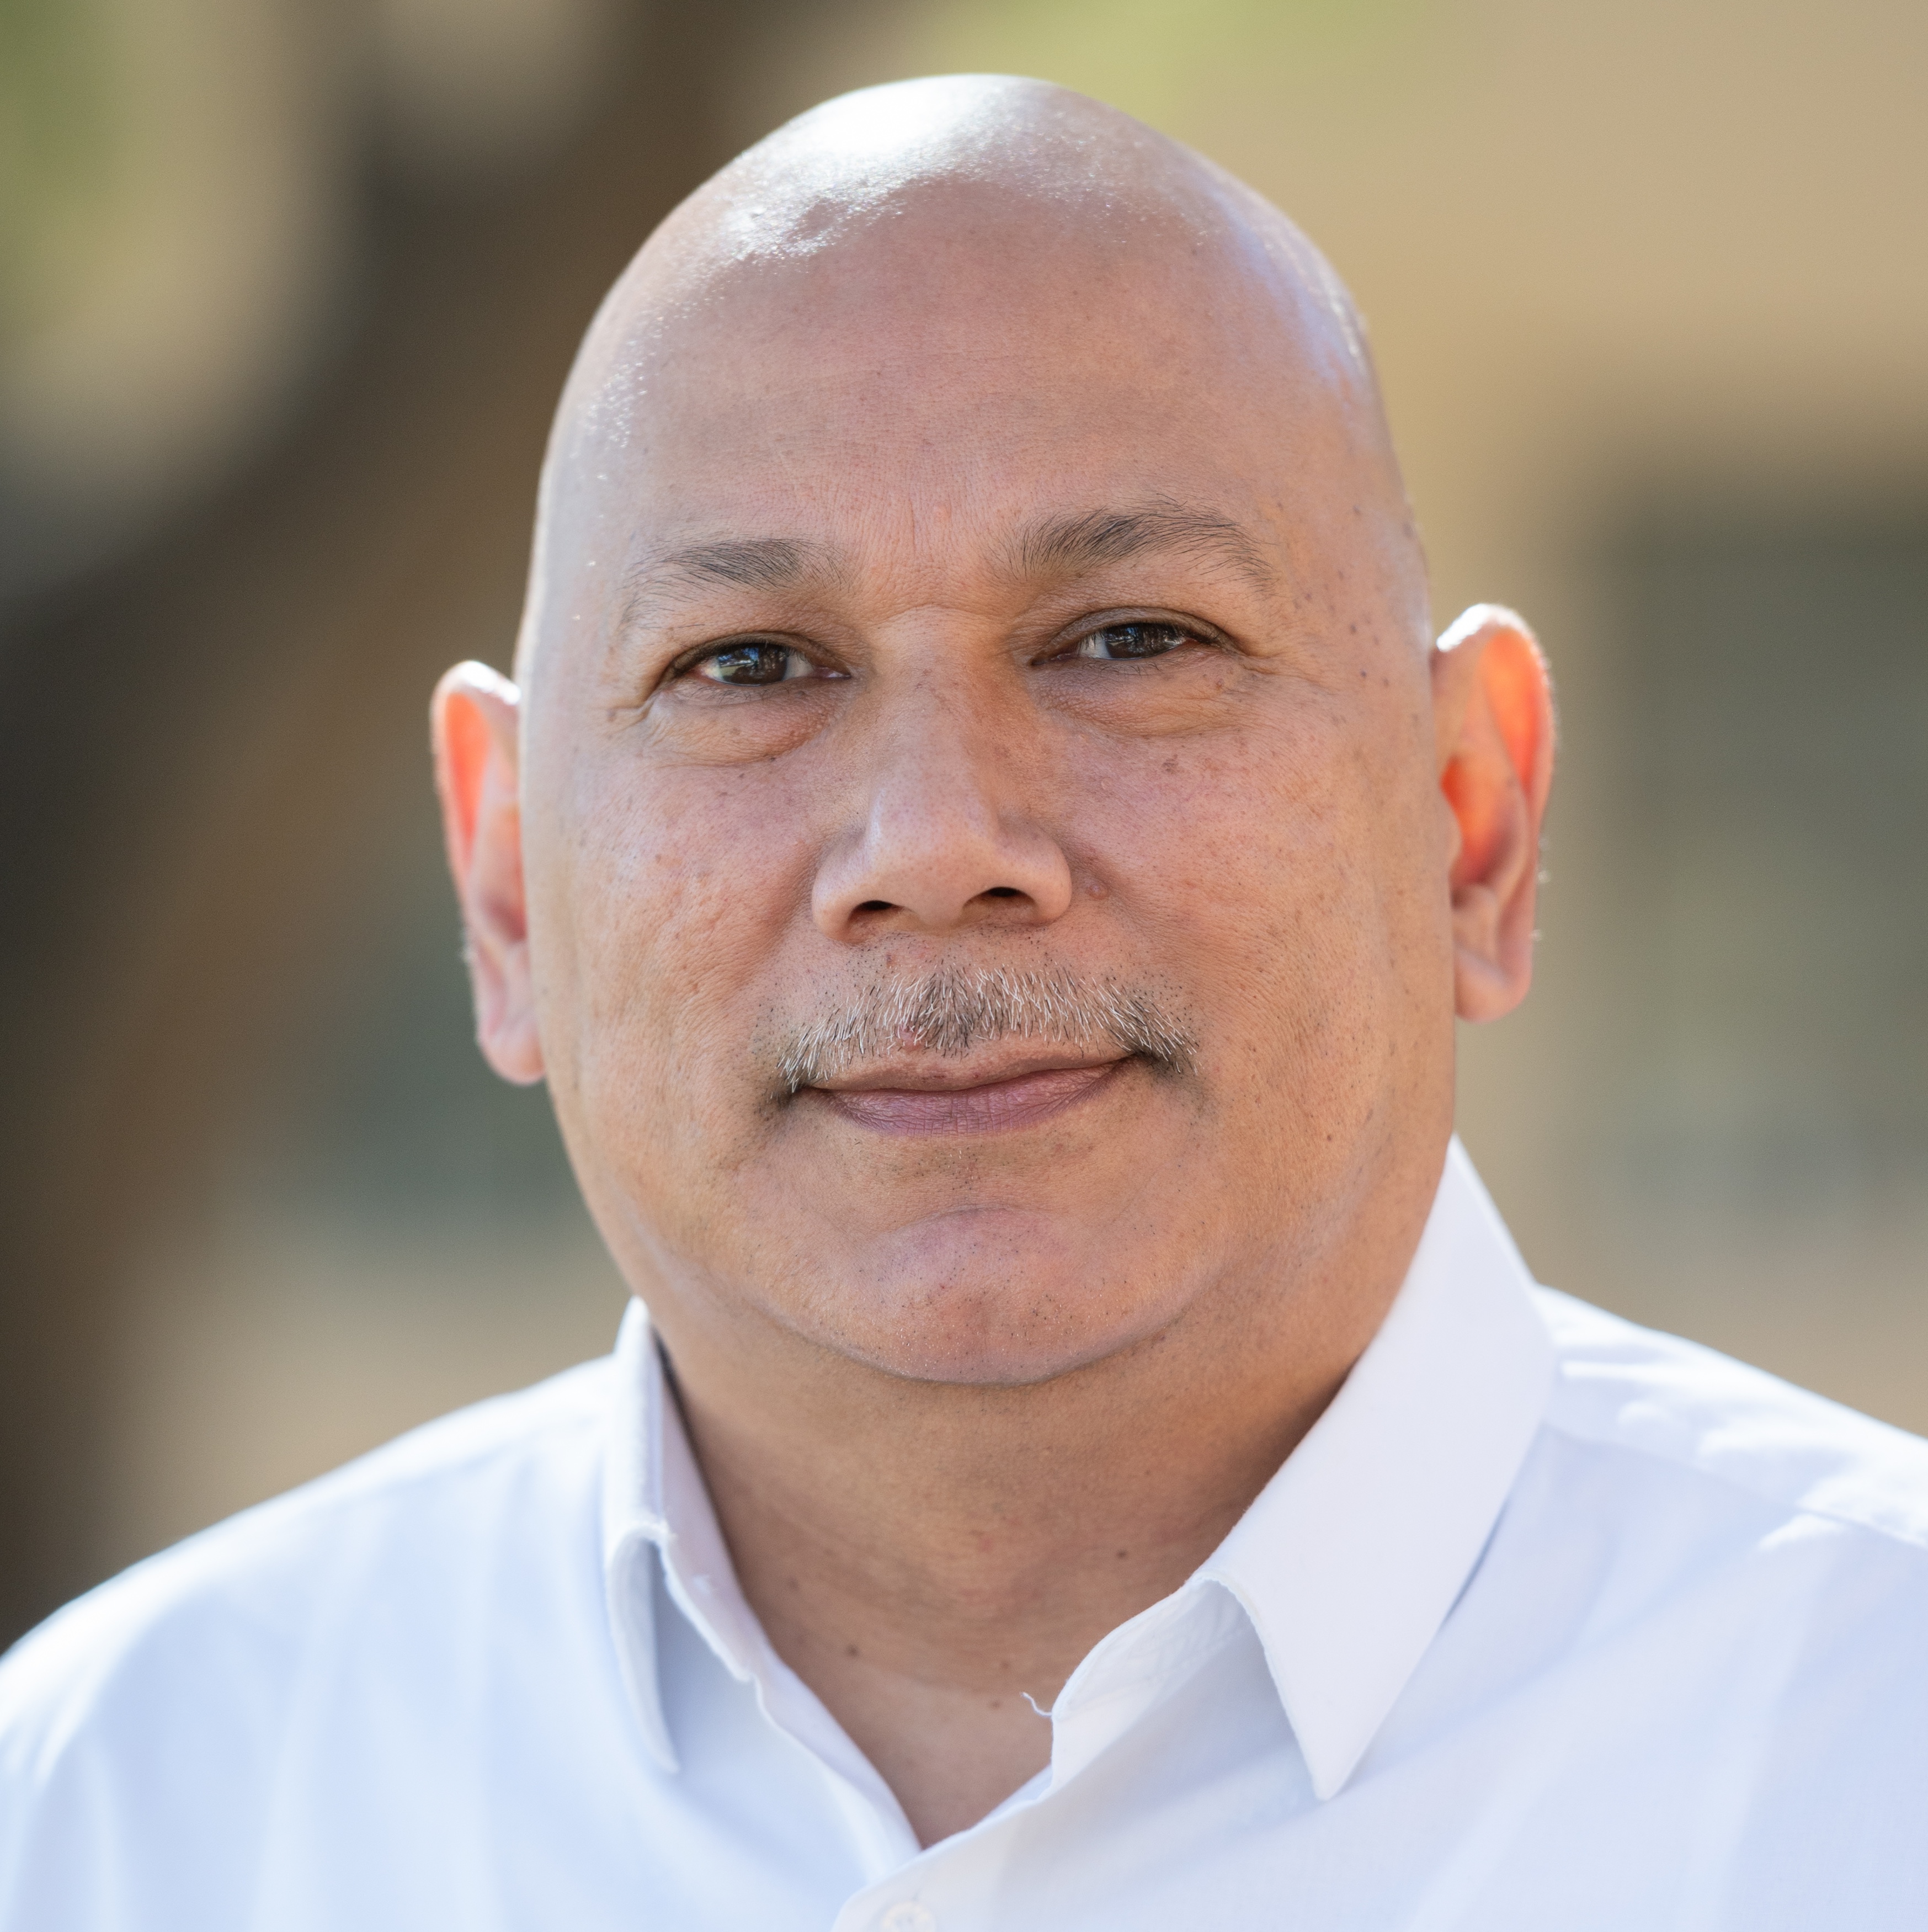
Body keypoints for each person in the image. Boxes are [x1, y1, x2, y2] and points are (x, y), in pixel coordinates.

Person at [2, 73, 1924, 1930]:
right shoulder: (120, 1813)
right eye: (750, 664)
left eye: (1132, 639)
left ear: (1469, 825)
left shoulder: (1870, 1745)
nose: (934, 842)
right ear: (506, 883)